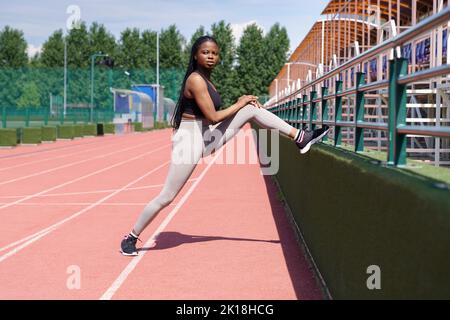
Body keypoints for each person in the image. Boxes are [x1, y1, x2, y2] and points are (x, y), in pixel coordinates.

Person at [120, 35, 329, 256]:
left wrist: (242, 104)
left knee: (251, 109)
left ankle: (300, 137)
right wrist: (239, 103)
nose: (210, 56)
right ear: (195, 55)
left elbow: (212, 119)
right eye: (205, 52)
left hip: (205, 136)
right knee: (167, 196)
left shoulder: (207, 80)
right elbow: (212, 116)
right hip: (189, 141)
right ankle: (130, 238)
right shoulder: (196, 80)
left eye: (214, 53)